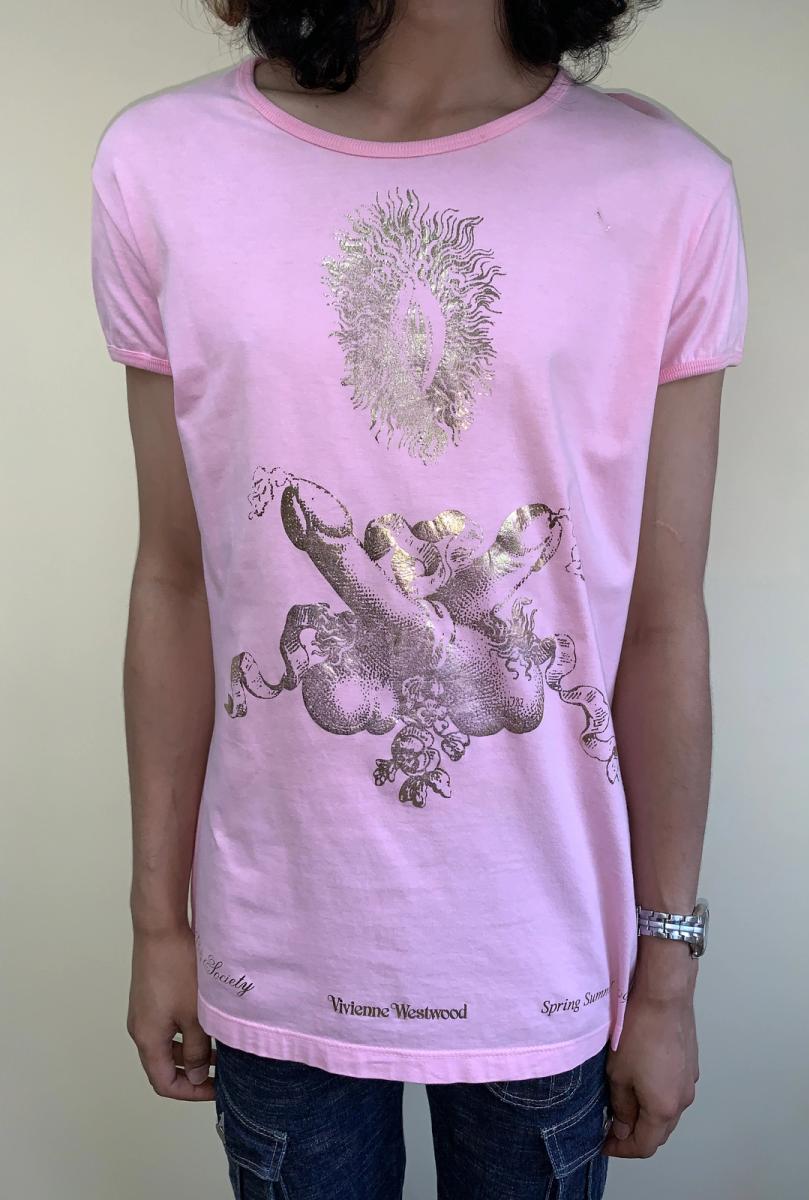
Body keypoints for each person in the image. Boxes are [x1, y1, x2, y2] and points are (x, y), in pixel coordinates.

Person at [89, 1, 749, 1195]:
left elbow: (661, 624)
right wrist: (156, 923)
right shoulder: (164, 165)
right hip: (278, 953)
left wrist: (668, 975)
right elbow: (174, 580)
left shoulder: (666, 189)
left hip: (543, 960)